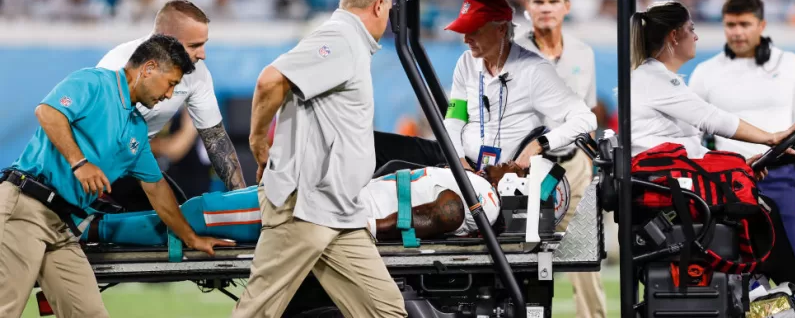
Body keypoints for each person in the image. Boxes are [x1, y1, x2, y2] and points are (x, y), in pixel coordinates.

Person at [0, 35, 234, 318]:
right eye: (171, 83)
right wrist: (80, 162)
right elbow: (48, 112)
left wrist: (190, 238)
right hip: (26, 208)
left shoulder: (135, 127)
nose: (170, 95)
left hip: (62, 228)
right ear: (148, 68)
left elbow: (157, 189)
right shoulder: (95, 82)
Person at [232, 0, 406, 318]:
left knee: (386, 311)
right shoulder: (341, 39)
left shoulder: (350, 42)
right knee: (258, 312)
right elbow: (269, 81)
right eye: (389, 9)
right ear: (378, 6)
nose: (389, 17)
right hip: (305, 207)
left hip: (340, 209)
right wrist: (257, 141)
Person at [80, 161, 569, 246]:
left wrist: (364, 223)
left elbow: (444, 213)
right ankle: (99, 227)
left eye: (523, 175)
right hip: (332, 200)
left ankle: (95, 231)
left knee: (199, 214)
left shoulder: (478, 198)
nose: (515, 167)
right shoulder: (481, 187)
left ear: (517, 190)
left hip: (327, 209)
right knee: (208, 211)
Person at [374, 0, 597, 173]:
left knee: (393, 170)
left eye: (474, 30)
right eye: (464, 30)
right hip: (459, 160)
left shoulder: (534, 71)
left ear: (501, 29)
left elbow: (585, 119)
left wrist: (539, 144)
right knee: (374, 145)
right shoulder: (466, 63)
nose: (465, 38)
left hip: (500, 174)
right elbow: (454, 119)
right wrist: (458, 161)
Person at [688, 0, 795, 290]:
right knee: (736, 273)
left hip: (783, 179)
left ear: (761, 25)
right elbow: (689, 134)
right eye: (730, 24)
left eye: (745, 24)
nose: (737, 32)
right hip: (730, 185)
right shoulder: (706, 72)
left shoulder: (788, 64)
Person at [515, 0, 607, 318]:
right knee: (524, 255)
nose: (546, 8)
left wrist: (593, 165)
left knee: (585, 255)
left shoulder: (583, 53)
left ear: (567, 5)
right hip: (525, 169)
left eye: (553, 1)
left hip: (574, 164)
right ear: (528, 5)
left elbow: (590, 111)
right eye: (539, 1)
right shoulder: (512, 52)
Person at [97, 0, 246, 211]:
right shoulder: (116, 65)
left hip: (137, 165)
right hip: (96, 170)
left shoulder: (198, 73)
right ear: (167, 41)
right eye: (194, 45)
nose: (203, 54)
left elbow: (216, 139)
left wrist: (241, 200)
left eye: (204, 44)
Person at [629, 0, 795, 162]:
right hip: (666, 185)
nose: (695, 37)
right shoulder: (654, 80)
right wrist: (770, 137)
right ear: (674, 35)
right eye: (691, 29)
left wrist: (737, 164)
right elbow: (711, 118)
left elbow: (693, 148)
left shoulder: (659, 78)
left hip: (676, 178)